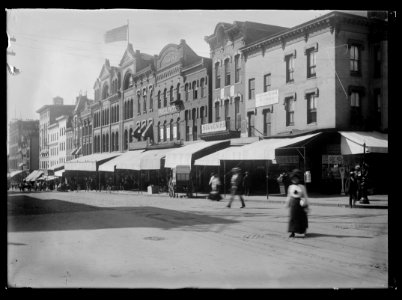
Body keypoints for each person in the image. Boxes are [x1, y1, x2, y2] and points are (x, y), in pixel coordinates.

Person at [285, 169, 309, 238]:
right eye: (293, 179)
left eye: (296, 179)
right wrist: (287, 203)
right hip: (293, 203)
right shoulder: (290, 187)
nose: (295, 180)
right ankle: (292, 232)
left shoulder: (302, 187)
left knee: (302, 218)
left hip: (301, 203)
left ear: (298, 179)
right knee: (293, 218)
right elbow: (289, 196)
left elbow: (305, 196)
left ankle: (304, 231)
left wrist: (307, 205)